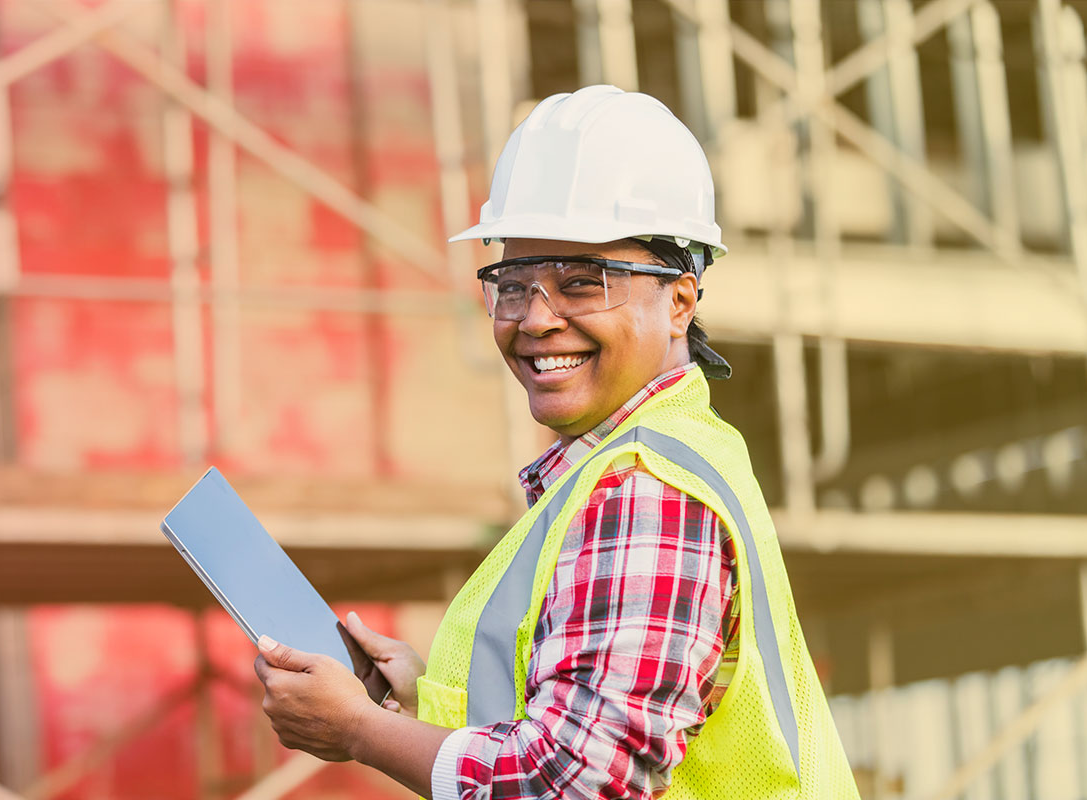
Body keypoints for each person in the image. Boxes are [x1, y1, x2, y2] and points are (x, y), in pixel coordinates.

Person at [254, 85, 860, 799]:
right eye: (511, 283)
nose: (536, 319)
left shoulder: (645, 488)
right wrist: (423, 700)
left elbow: (571, 783)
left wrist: (362, 731)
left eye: (583, 282)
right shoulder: (634, 465)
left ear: (681, 301)